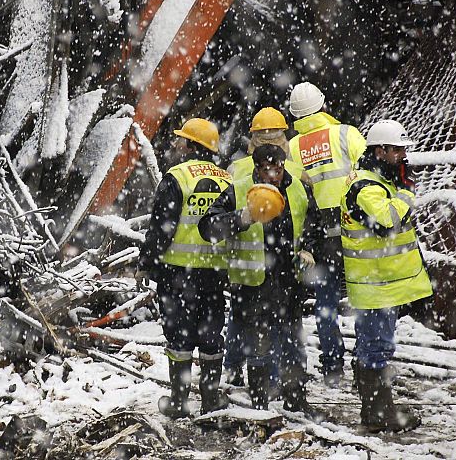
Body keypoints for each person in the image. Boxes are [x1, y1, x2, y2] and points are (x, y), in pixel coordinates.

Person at [199, 144, 325, 420]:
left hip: (289, 280)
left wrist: (308, 249)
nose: (274, 175)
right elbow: (208, 227)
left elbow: (314, 224)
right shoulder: (239, 189)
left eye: (278, 169)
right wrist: (242, 217)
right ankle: (260, 405)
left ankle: (296, 399)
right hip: (252, 283)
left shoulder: (298, 188)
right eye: (267, 169)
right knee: (259, 347)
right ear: (256, 169)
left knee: (293, 343)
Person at [135, 118, 233, 418]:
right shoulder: (227, 179)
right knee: (211, 336)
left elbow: (162, 227)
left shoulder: (177, 176)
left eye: (183, 140)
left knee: (179, 338)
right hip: (214, 273)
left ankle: (178, 401)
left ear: (192, 145)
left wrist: (146, 264)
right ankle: (211, 398)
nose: (178, 145)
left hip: (178, 273)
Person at [340, 119, 432, 432]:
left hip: (380, 285)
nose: (403, 156)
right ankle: (379, 415)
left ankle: (376, 408)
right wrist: (407, 193)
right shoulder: (366, 187)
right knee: (376, 347)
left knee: (375, 345)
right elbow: (387, 221)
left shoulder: (379, 181)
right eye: (398, 150)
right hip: (375, 286)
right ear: (380, 150)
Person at [287, 82, 366, 386]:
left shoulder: (292, 147)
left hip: (320, 235)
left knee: (325, 303)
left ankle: (333, 366)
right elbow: (370, 173)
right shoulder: (346, 133)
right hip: (356, 228)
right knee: (363, 299)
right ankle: (365, 367)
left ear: (294, 115)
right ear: (323, 104)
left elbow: (297, 193)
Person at [223, 107, 308, 388]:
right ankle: (273, 384)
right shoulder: (294, 170)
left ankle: (239, 370)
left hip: (260, 268)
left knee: (247, 323)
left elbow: (309, 215)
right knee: (280, 330)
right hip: (269, 267)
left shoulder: (237, 170)